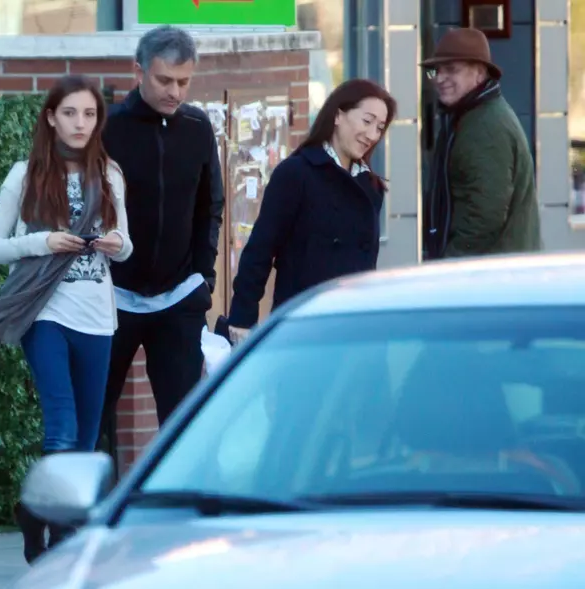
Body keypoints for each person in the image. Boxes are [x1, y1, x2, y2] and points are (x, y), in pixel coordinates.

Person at [0, 75, 133, 564]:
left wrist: (112, 243)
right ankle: (63, 535)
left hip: (97, 319)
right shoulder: (24, 174)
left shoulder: (110, 174)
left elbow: (126, 246)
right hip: (44, 313)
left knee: (86, 437)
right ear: (50, 117)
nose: (80, 123)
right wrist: (42, 242)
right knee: (62, 428)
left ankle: (36, 510)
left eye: (89, 114)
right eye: (69, 113)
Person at [100, 26, 224, 429]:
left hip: (179, 296)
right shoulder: (108, 129)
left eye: (184, 81)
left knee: (184, 425)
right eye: (165, 80)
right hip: (111, 296)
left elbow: (210, 205)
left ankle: (179, 495)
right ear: (139, 72)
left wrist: (204, 275)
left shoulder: (197, 127)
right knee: (96, 417)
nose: (175, 91)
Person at [225, 79, 397, 344]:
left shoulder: (370, 186)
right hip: (304, 325)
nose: (373, 135)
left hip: (357, 327)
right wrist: (242, 318)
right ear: (338, 115)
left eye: (380, 127)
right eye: (367, 121)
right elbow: (260, 249)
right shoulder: (296, 174)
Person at [420, 27, 541, 260]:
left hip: (494, 279)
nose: (440, 78)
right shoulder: (470, 116)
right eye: (436, 70)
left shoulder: (485, 126)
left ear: (479, 73)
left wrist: (450, 265)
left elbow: (485, 216)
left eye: (451, 70)